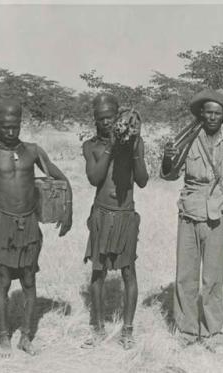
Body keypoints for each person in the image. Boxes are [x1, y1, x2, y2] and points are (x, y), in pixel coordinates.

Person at [0, 97, 73, 358]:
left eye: (16, 126)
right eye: (6, 127)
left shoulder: (33, 151)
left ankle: (25, 336)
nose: (12, 132)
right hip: (3, 222)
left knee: (29, 279)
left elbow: (62, 179)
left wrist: (68, 210)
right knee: (2, 281)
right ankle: (4, 336)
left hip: (30, 223)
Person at [160, 88, 223, 352]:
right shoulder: (187, 138)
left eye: (217, 113)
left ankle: (213, 332)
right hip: (189, 213)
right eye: (208, 112)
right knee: (185, 275)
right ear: (201, 114)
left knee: (213, 277)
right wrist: (167, 159)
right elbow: (168, 175)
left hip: (220, 214)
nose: (212, 117)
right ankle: (188, 330)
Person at [82, 93, 148, 350]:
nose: (107, 122)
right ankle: (98, 328)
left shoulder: (134, 143)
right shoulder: (91, 146)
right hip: (101, 214)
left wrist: (133, 150)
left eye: (111, 117)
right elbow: (94, 178)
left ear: (119, 116)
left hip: (125, 214)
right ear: (95, 120)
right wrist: (110, 146)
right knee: (98, 272)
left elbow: (142, 180)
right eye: (101, 119)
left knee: (128, 272)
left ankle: (128, 330)